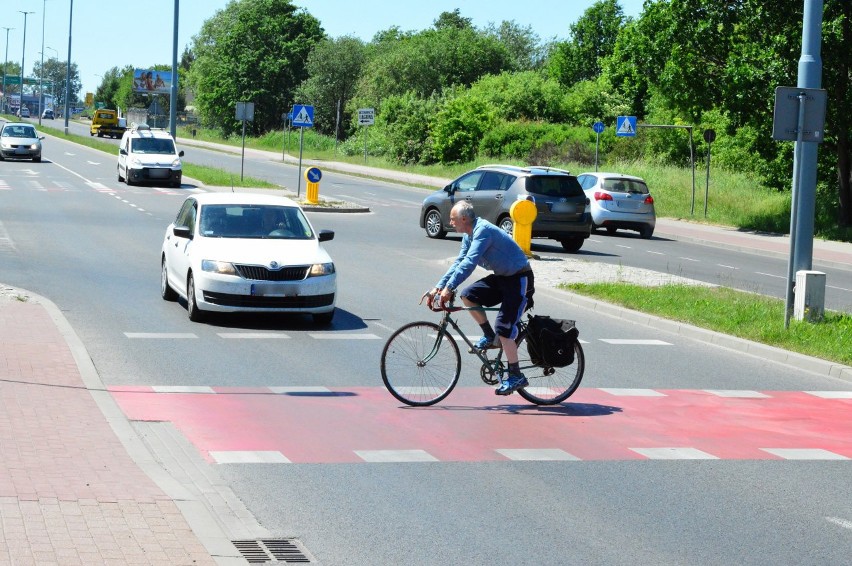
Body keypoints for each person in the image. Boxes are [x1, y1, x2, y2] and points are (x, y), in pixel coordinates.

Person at [425, 201, 535, 396]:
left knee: (504, 327)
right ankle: (489, 336)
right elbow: (459, 262)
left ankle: (516, 375)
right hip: (503, 277)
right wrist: (439, 287)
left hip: (518, 279)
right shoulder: (469, 234)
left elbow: (469, 262)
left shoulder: (482, 231)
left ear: (464, 219)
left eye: (453, 219)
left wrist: (450, 287)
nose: (450, 222)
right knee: (469, 295)